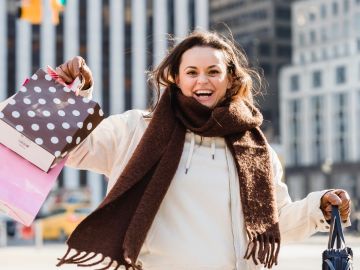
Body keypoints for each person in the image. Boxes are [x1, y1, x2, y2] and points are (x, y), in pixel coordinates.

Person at [52, 31, 350, 270]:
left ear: (230, 78)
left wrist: (318, 206)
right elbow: (75, 149)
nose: (202, 80)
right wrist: (68, 96)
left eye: (213, 71)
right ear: (176, 78)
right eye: (191, 72)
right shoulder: (136, 130)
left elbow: (275, 222)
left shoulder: (256, 150)